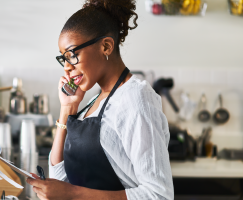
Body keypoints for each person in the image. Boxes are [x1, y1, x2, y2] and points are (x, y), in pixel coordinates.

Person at [26, 0, 174, 199]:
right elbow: (60, 178)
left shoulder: (136, 99)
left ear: (106, 46)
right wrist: (67, 108)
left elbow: (159, 194)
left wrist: (73, 194)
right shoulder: (93, 101)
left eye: (72, 55)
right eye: (64, 58)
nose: (67, 67)